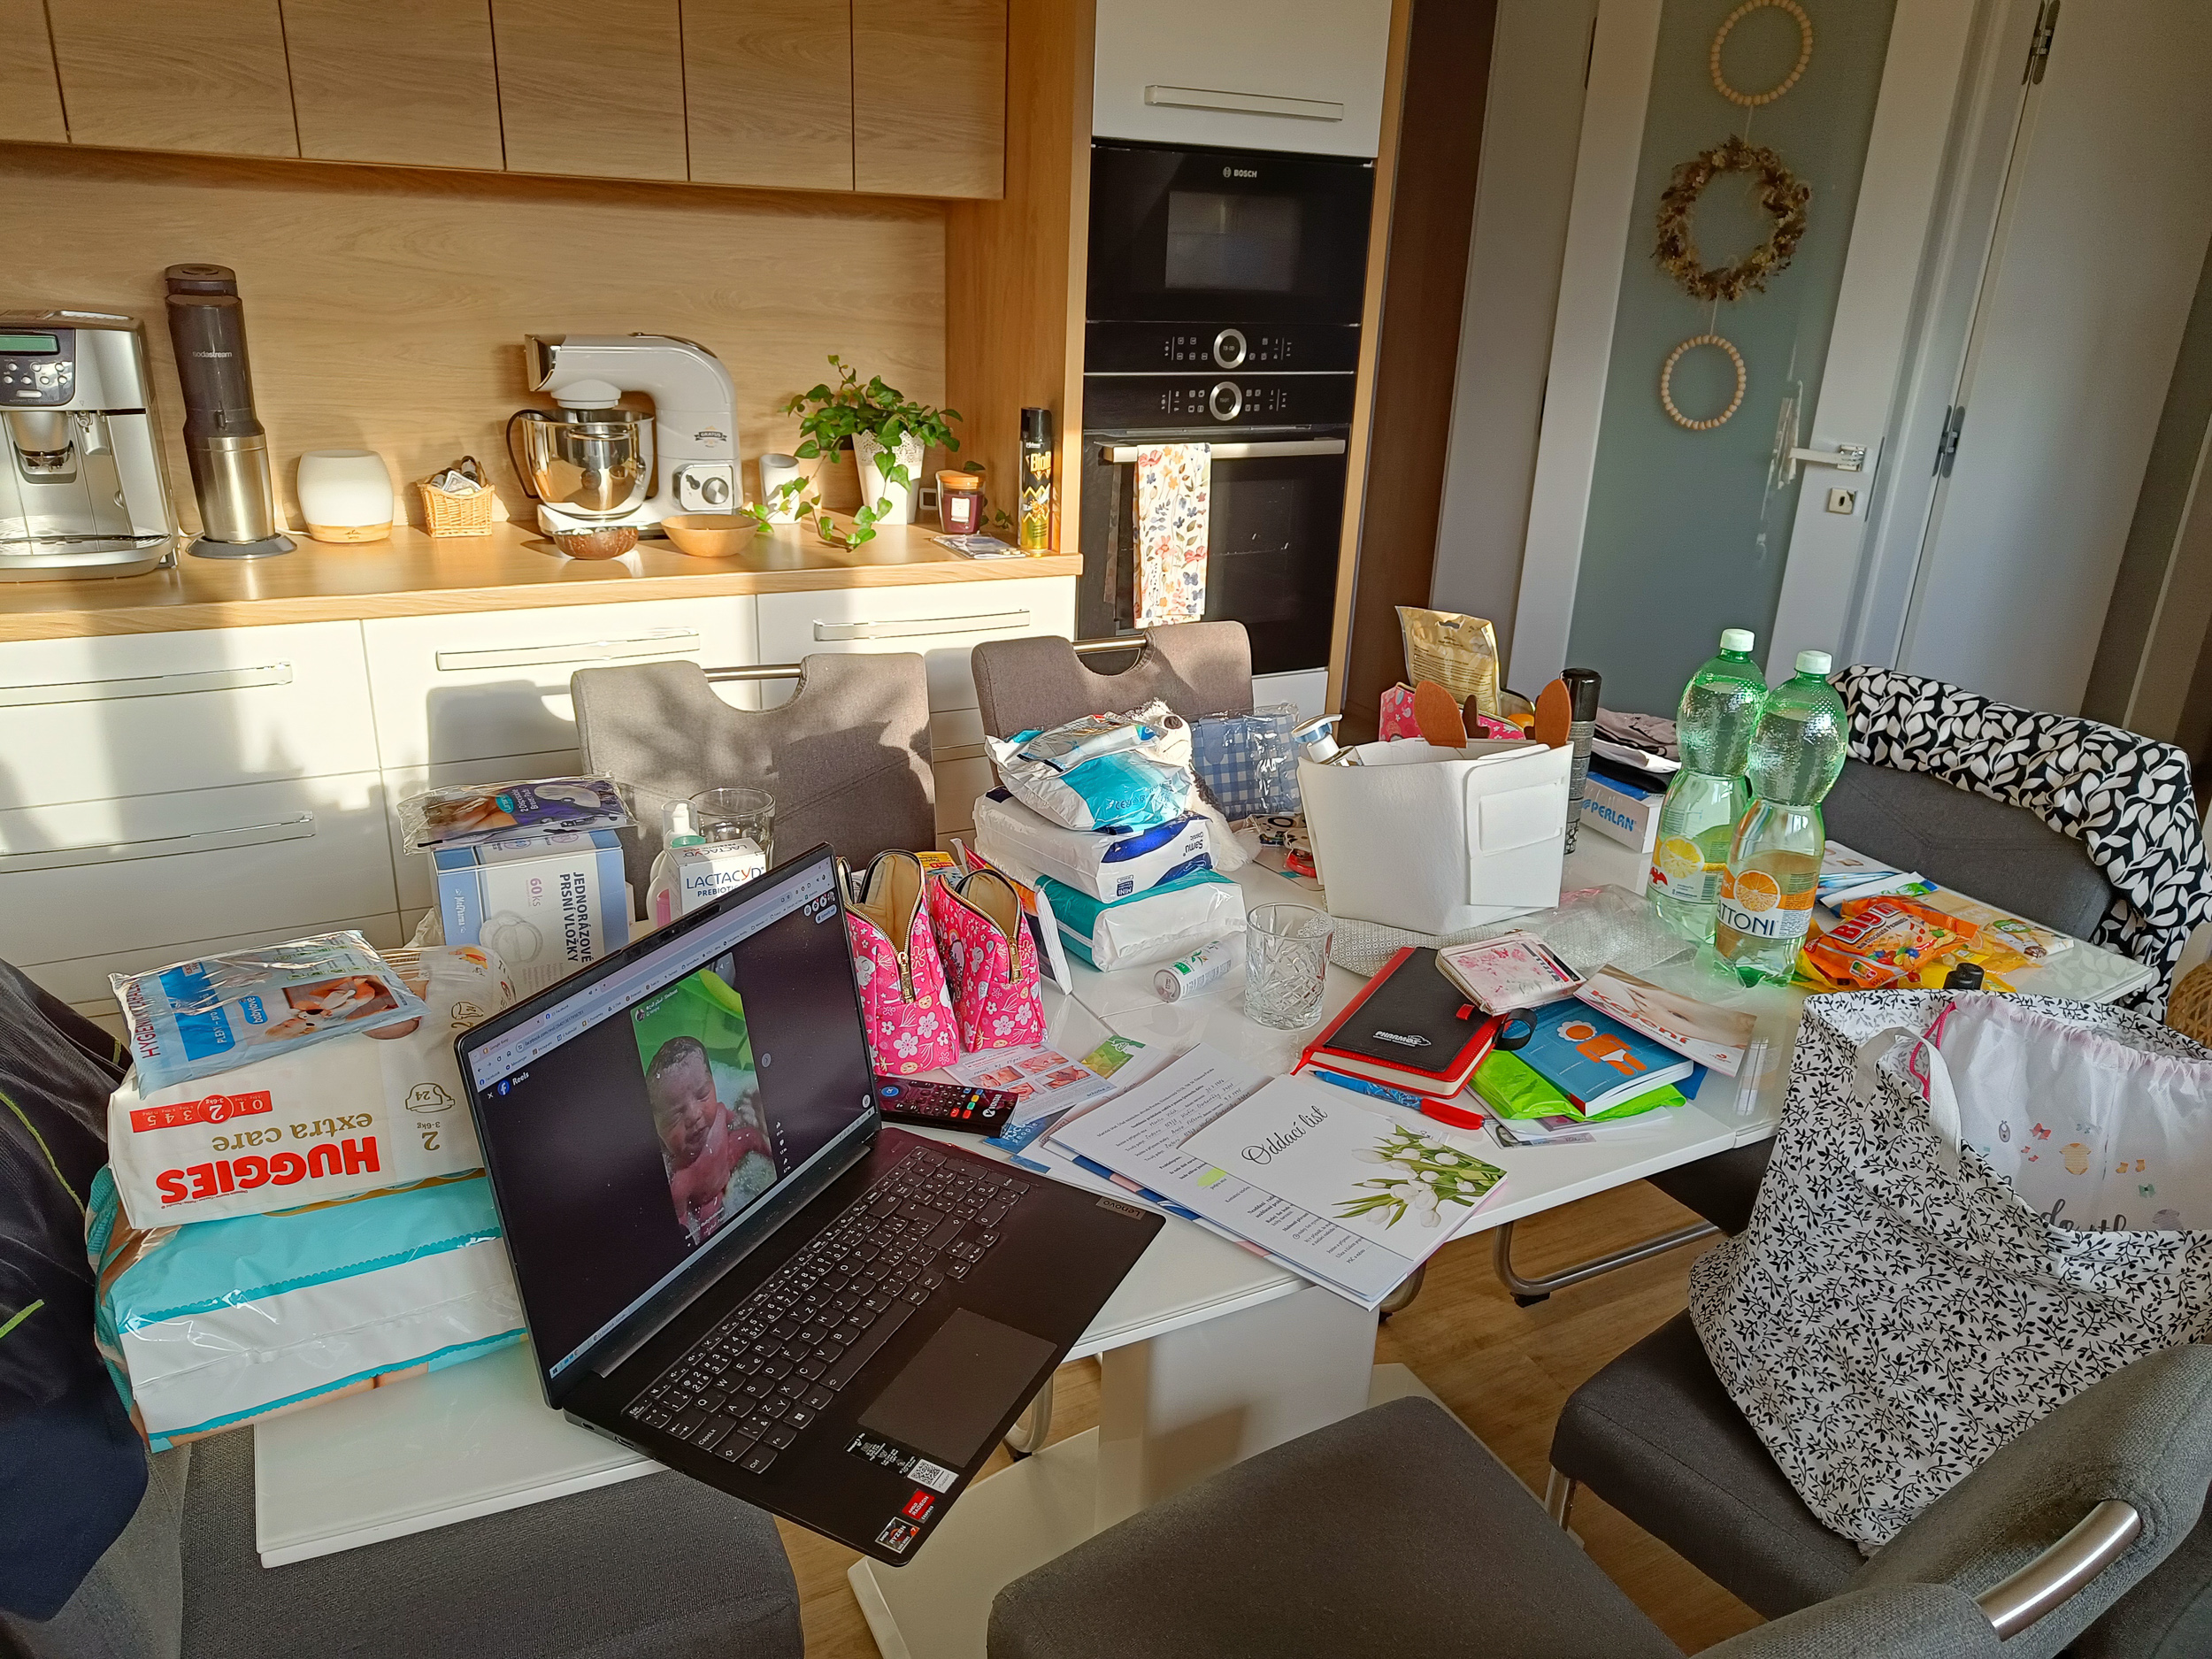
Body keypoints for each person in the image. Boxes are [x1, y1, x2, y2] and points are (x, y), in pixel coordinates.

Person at [643, 1036, 772, 1240]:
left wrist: (746, 1116)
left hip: (729, 1158)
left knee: (751, 1135)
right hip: (708, 1199)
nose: (694, 1115)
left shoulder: (719, 1114)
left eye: (703, 1094)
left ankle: (778, 1154)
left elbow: (735, 1121)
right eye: (675, 1115)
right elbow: (681, 1224)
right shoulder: (681, 1181)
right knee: (709, 1229)